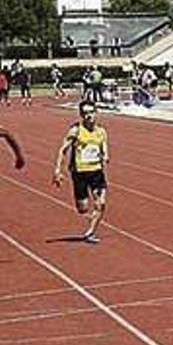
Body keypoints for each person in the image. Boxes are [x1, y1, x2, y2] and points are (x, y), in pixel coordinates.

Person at [51, 101, 110, 244]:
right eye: (85, 113)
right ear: (81, 115)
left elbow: (104, 146)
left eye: (91, 112)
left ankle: (90, 232)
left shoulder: (101, 131)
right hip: (80, 173)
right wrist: (57, 170)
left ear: (96, 113)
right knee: (82, 208)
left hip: (96, 171)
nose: (88, 116)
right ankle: (85, 210)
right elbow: (63, 150)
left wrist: (106, 156)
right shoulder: (75, 131)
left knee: (100, 204)